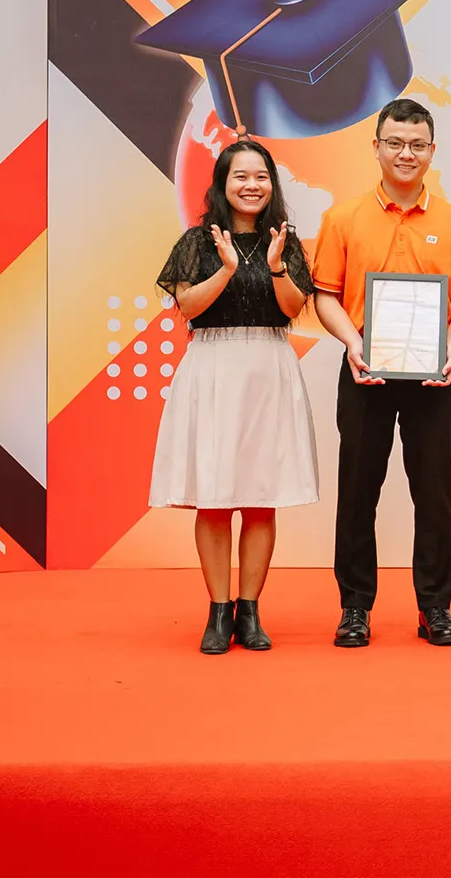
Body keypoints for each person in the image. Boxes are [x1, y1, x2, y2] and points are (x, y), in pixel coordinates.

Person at [312, 98, 451, 650]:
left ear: (431, 150)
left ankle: (436, 607)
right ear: (377, 147)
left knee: (433, 494)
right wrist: (353, 343)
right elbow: (325, 295)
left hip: (433, 376)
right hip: (365, 371)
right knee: (357, 491)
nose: (405, 154)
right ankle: (354, 607)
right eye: (395, 143)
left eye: (416, 144)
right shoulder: (342, 218)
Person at [149, 137, 317, 655]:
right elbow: (190, 308)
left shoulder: (285, 241)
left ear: (273, 184)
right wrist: (225, 268)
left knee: (261, 498)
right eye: (240, 176)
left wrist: (276, 265)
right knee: (215, 497)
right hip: (214, 367)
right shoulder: (197, 242)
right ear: (222, 184)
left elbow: (291, 308)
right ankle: (218, 612)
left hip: (269, 367)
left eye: (261, 176)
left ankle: (250, 612)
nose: (252, 185)